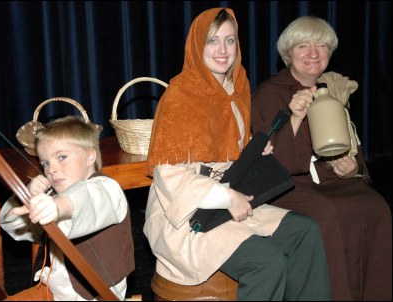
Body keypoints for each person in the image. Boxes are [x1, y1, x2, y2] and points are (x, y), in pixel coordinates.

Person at [143, 8, 330, 301]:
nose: (222, 49)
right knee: (267, 262)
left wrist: (253, 154)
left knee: (305, 231)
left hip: (229, 194)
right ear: (196, 46)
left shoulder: (237, 88)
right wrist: (226, 197)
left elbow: (229, 154)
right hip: (187, 212)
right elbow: (168, 174)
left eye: (230, 41)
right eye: (212, 41)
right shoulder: (180, 95)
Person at [251, 16, 392, 301]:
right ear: (288, 53)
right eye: (303, 46)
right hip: (288, 185)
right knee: (329, 213)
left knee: (377, 206)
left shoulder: (332, 88)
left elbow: (348, 143)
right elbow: (269, 161)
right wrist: (294, 116)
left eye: (322, 46)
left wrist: (353, 167)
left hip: (330, 179)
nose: (313, 54)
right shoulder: (270, 92)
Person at [0, 116, 135, 301]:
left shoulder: (108, 189)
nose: (51, 169)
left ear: (90, 156)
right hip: (53, 292)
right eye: (45, 163)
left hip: (95, 296)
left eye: (62, 157)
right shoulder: (52, 196)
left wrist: (57, 206)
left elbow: (86, 198)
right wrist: (27, 199)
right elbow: (14, 227)